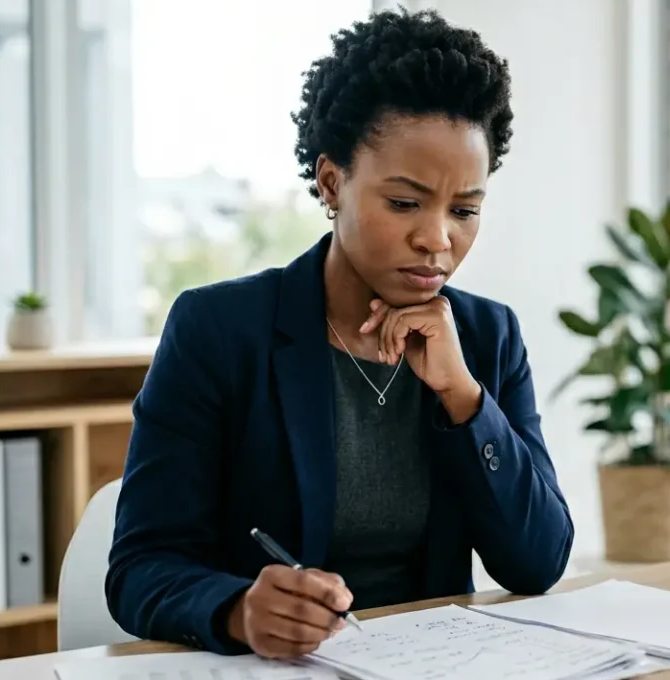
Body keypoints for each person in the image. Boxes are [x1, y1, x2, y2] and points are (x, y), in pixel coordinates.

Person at [105, 8, 573, 659]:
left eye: (464, 209)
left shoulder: (487, 337)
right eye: (405, 203)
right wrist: (238, 609)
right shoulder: (217, 330)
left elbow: (539, 562)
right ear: (333, 182)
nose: (438, 239)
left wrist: (463, 397)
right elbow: (141, 567)